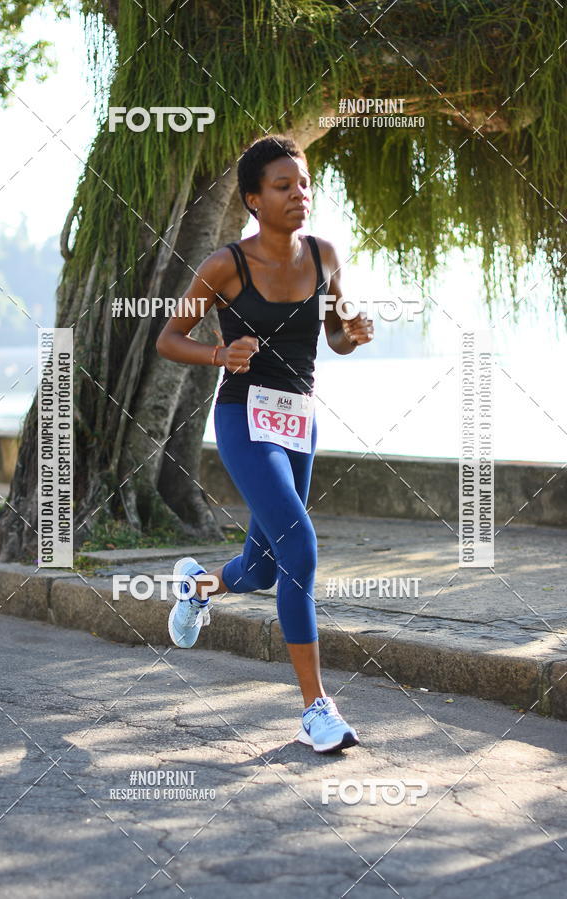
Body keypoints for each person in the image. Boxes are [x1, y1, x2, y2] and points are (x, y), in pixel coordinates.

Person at [156, 135, 374, 753]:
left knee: (261, 569)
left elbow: (333, 335)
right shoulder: (226, 265)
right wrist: (220, 352)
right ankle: (316, 710)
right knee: (300, 546)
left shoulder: (325, 255)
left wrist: (351, 334)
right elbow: (170, 338)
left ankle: (197, 587)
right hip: (243, 419)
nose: (299, 195)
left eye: (304, 183)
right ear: (253, 199)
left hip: (299, 422)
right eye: (283, 186)